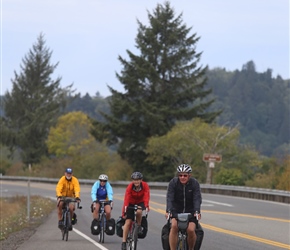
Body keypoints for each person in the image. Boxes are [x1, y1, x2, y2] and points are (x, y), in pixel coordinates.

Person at [165, 164, 202, 250]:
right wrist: (168, 210)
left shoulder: (194, 183)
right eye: (180, 175)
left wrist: (197, 211)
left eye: (185, 175)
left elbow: (197, 198)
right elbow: (170, 197)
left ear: (189, 175)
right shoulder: (173, 183)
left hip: (191, 212)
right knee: (174, 226)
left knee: (191, 230)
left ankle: (191, 248)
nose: (182, 177)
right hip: (176, 211)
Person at [121, 172, 150, 250]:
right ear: (132, 181)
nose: (136, 182)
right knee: (128, 222)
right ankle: (123, 242)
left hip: (140, 202)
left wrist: (146, 205)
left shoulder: (145, 186)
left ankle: (138, 226)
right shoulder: (130, 186)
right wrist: (126, 207)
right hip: (130, 202)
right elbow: (127, 197)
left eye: (138, 180)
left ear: (141, 180)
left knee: (139, 212)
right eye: (134, 180)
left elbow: (146, 196)